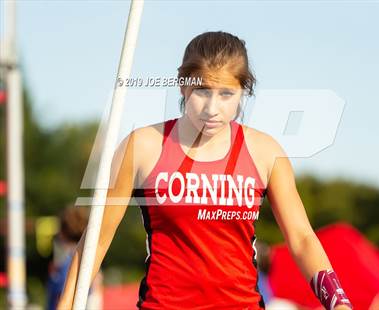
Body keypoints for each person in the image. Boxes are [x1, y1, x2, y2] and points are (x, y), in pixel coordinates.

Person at [58, 31, 353, 309]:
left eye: (226, 94)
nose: (212, 108)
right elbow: (96, 240)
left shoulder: (265, 152)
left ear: (243, 91)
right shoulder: (143, 146)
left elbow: (301, 238)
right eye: (202, 90)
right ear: (182, 84)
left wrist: (337, 301)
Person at [47, 206, 103, 310]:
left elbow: (61, 297)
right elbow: (96, 294)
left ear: (62, 232)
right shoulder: (90, 259)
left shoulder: (65, 262)